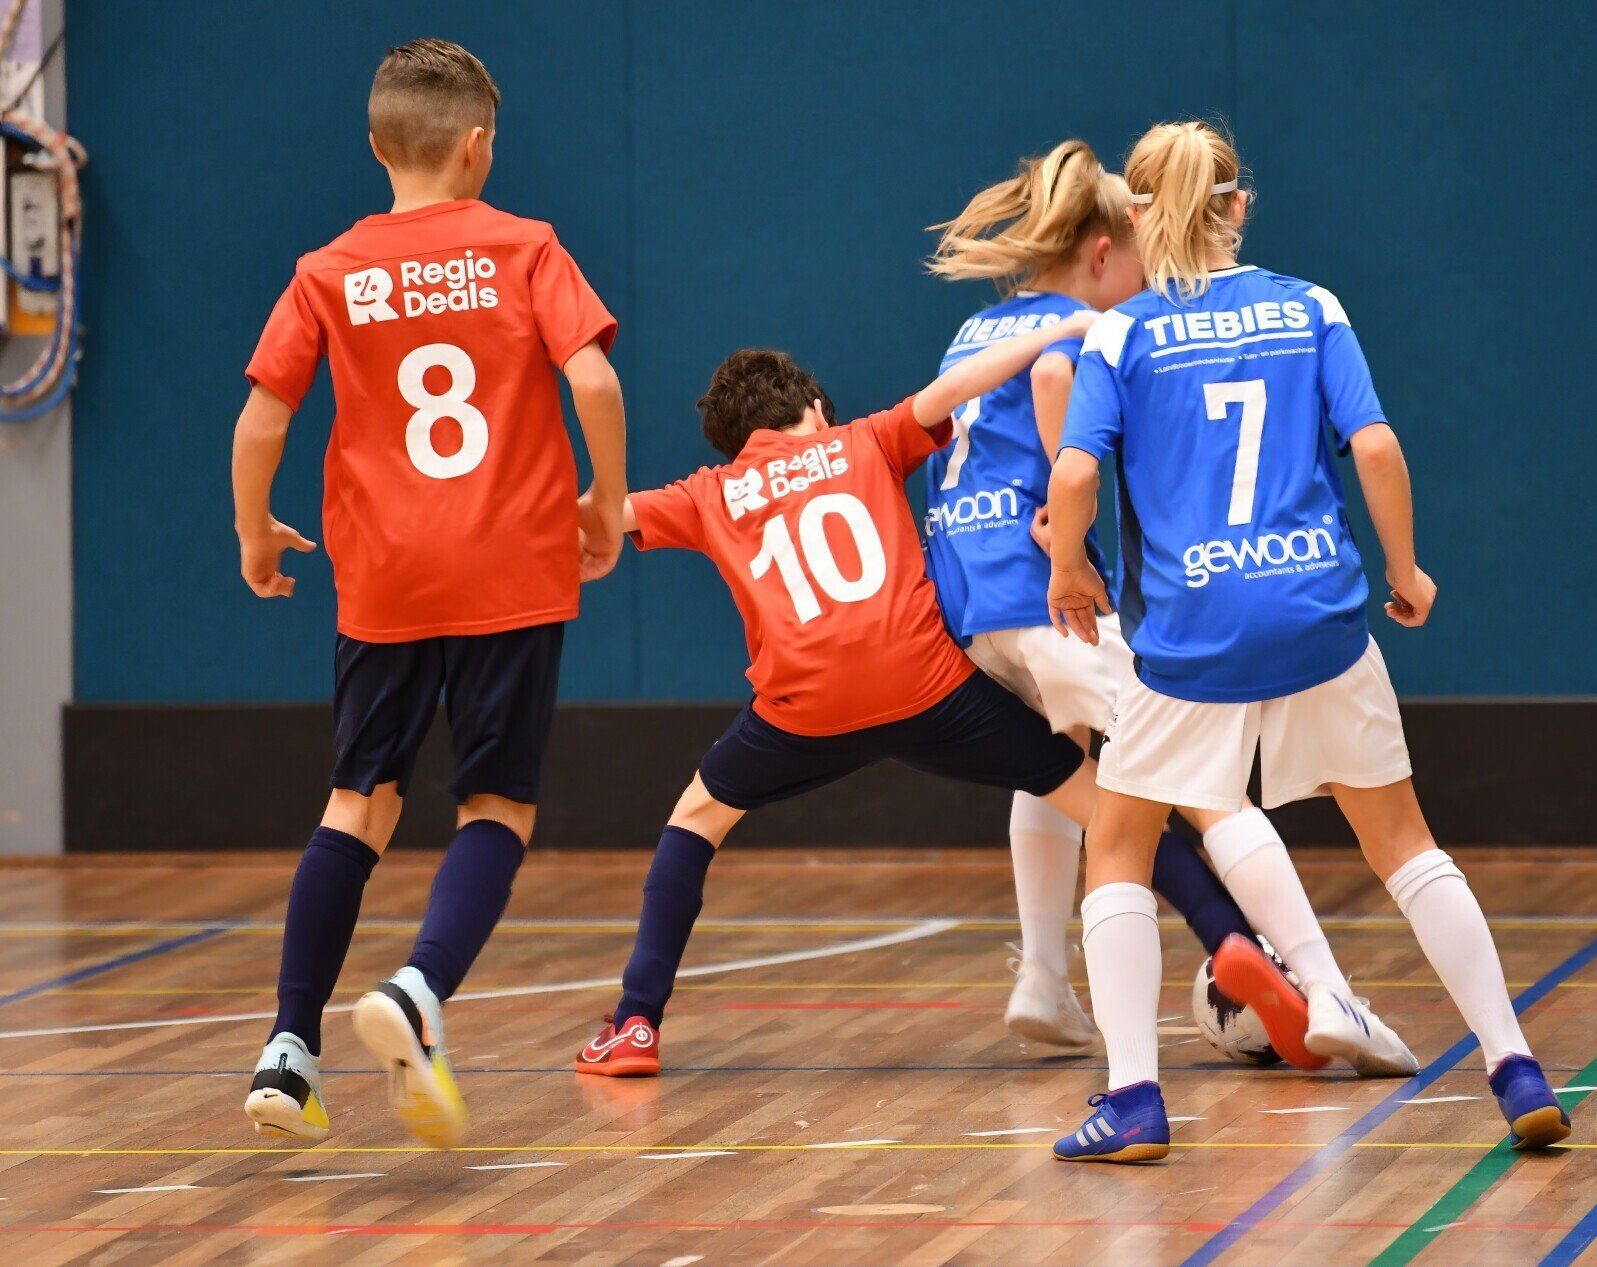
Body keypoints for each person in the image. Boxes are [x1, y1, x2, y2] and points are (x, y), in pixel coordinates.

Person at [1045, 121, 1568, 1162]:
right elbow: (1374, 443)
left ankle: (1135, 1098)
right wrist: (1405, 569)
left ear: (1137, 218)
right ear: (1239, 206)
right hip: (1318, 619)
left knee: (1119, 844)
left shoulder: (1118, 333)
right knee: (1405, 844)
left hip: (1190, 637)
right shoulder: (1313, 306)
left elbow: (1074, 474)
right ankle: (1515, 1066)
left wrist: (1068, 567)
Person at [924, 139, 1414, 1073]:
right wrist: (1066, 527)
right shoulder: (1083, 323)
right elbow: (1054, 384)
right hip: (1042, 588)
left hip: (970, 595)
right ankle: (1323, 983)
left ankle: (1043, 977)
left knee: (1060, 765)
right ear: (1107, 250)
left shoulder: (979, 328)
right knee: (1206, 785)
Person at [573, 318, 1167, 1080]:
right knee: (1103, 804)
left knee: (696, 818)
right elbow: (959, 385)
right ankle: (1238, 944)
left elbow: (605, 517)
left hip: (802, 707)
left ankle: (636, 1021)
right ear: (814, 408)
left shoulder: (713, 490)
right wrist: (1066, 325)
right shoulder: (863, 439)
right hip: (927, 684)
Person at [233, 39, 626, 1147]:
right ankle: (417, 990)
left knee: (359, 801)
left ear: (376, 146)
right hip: (511, 563)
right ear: (478, 146)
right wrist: (603, 498)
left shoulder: (327, 269)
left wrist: (253, 528)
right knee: (495, 803)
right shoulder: (526, 246)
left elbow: (262, 417)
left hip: (385, 573)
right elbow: (593, 376)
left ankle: (289, 1048)